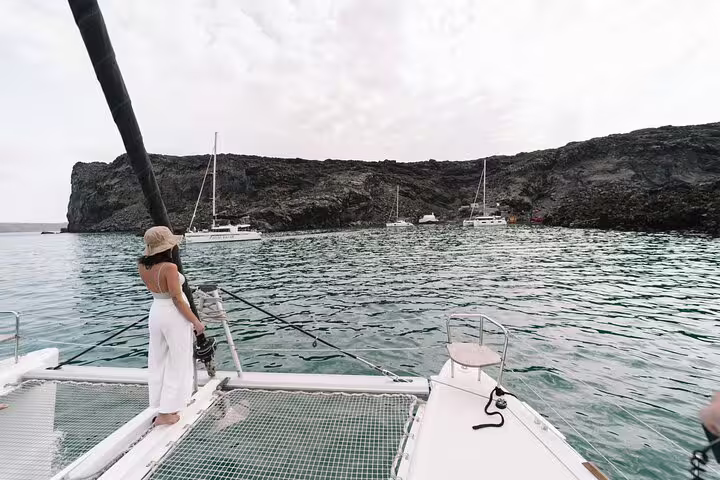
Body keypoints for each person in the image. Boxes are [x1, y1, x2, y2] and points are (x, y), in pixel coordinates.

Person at [138, 226, 204, 426]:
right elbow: (177, 299)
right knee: (178, 359)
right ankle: (168, 411)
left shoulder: (142, 265)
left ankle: (161, 405)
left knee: (158, 358)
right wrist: (195, 321)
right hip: (173, 315)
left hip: (156, 312)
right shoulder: (170, 268)